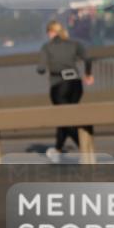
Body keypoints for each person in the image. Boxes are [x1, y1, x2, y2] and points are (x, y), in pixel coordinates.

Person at [36, 21, 94, 162]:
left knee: (65, 118)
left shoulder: (47, 47)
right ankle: (57, 149)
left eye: (48, 32)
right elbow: (88, 58)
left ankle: (85, 147)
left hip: (59, 85)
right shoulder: (74, 44)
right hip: (76, 85)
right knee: (66, 117)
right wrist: (88, 74)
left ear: (51, 32)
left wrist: (42, 68)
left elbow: (41, 69)